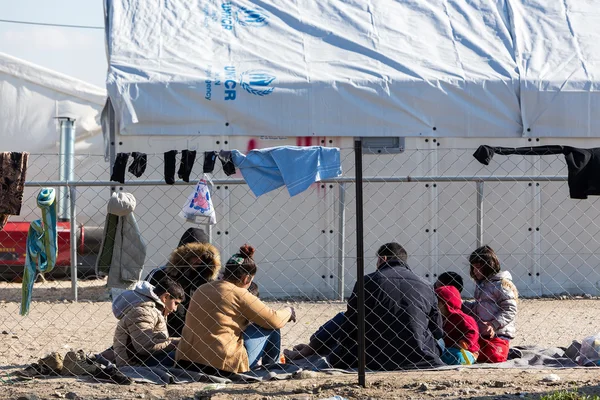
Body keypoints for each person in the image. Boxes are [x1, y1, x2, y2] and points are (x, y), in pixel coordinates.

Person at [287, 242, 444, 370]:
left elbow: (350, 325)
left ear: (382, 259)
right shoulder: (426, 285)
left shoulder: (367, 282)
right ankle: (314, 348)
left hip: (373, 357)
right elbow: (437, 331)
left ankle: (312, 348)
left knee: (342, 319)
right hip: (420, 356)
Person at [176, 244, 296, 374]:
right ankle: (272, 367)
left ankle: (271, 366)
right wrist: (289, 311)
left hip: (187, 360)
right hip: (221, 366)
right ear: (246, 278)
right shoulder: (239, 293)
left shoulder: (203, 288)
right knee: (272, 326)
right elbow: (274, 319)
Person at [147, 228, 220, 337]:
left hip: (196, 336)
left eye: (202, 255)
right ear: (182, 254)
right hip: (161, 332)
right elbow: (142, 301)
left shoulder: (208, 282)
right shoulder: (160, 274)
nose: (198, 260)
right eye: (194, 255)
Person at [112, 277, 184, 367]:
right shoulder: (143, 312)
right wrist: (179, 343)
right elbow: (145, 346)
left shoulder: (154, 311)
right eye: (176, 303)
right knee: (185, 358)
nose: (175, 309)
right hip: (135, 364)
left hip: (145, 359)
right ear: (165, 297)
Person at [463, 245, 518, 363]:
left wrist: (494, 324)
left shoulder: (501, 285)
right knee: (471, 351)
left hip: (499, 333)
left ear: (489, 266)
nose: (474, 271)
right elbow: (478, 307)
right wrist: (461, 304)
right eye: (473, 268)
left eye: (478, 267)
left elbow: (510, 309)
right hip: (483, 333)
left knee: (493, 357)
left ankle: (506, 351)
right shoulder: (481, 286)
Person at [435, 285, 479, 365]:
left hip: (465, 350)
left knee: (457, 356)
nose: (436, 306)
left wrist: (463, 343)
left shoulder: (463, 318)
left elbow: (473, 332)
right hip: (448, 348)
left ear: (446, 304)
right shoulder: (441, 319)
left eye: (438, 303)